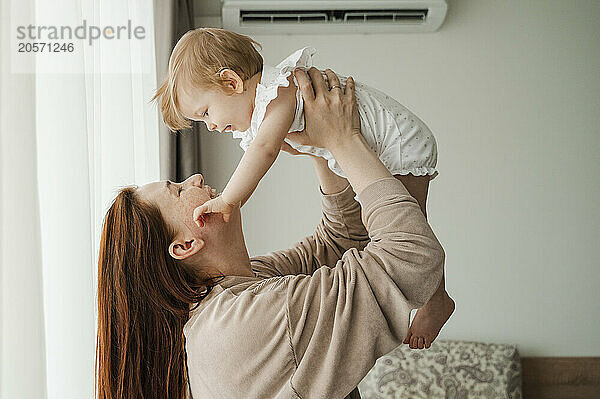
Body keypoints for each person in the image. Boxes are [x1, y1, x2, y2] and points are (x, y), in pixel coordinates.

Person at [97, 67, 446, 398]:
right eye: (178, 190)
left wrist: (319, 146)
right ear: (185, 245)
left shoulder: (234, 292)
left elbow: (339, 242)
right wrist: (345, 139)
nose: (196, 179)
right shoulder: (240, 324)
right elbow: (412, 257)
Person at [152, 27, 454, 349]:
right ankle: (433, 297)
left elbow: (264, 150)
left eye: (206, 113)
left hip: (399, 144)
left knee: (408, 229)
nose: (211, 125)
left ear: (231, 82)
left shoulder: (278, 92)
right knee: (389, 227)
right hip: (383, 146)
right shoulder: (270, 105)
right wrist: (320, 148)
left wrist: (229, 200)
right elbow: (310, 150)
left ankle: (436, 300)